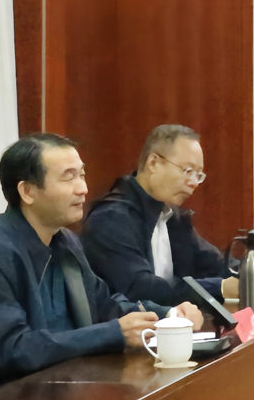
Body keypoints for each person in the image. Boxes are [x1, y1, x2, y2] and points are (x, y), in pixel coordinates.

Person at [0, 133, 205, 400]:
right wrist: (114, 333)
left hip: (53, 396)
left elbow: (104, 305)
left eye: (82, 175)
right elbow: (14, 350)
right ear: (28, 191)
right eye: (68, 177)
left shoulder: (65, 241)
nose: (83, 189)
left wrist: (167, 316)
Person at [82, 124, 231, 308]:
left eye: (198, 175)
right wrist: (220, 287)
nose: (193, 183)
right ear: (153, 163)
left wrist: (249, 273)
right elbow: (141, 289)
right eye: (187, 170)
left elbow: (215, 265)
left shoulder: (172, 216)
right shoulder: (110, 218)